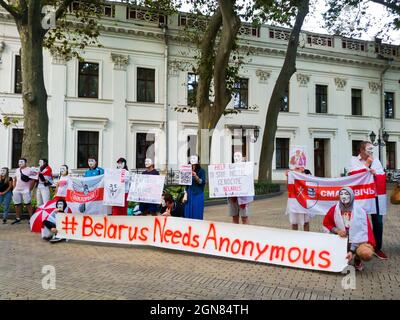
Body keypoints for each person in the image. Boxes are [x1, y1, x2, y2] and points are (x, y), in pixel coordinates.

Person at [348, 141, 388, 260]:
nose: (370, 152)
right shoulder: (354, 160)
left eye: (371, 150)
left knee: (378, 222)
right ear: (361, 150)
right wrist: (366, 165)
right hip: (362, 196)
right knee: (360, 221)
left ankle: (377, 248)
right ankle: (359, 247)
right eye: (368, 150)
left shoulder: (376, 160)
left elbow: (382, 174)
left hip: (375, 196)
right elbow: (352, 174)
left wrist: (375, 173)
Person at [323, 187, 376, 271]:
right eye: (341, 194)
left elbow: (362, 233)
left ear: (351, 196)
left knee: (366, 253)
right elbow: (326, 223)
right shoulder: (334, 209)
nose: (344, 196)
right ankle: (339, 257)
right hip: (341, 238)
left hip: (356, 241)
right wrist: (337, 231)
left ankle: (357, 259)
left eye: (347, 194)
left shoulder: (360, 211)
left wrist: (352, 250)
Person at [228, 152, 253, 224]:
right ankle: (235, 233)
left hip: (243, 198)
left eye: (238, 156)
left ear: (242, 158)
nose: (236, 158)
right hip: (233, 197)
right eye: (235, 156)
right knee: (234, 217)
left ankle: (246, 233)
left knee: (244, 217)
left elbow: (249, 182)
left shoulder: (246, 168)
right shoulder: (229, 168)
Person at [286, 166, 312, 231]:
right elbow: (289, 188)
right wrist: (287, 177)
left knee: (306, 222)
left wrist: (302, 173)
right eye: (296, 168)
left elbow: (311, 186)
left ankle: (307, 237)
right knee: (294, 222)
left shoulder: (307, 173)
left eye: (299, 167)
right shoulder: (292, 175)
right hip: (294, 202)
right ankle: (295, 238)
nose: (298, 168)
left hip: (304, 202)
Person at [11, 158, 36, 225]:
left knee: (28, 204)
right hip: (17, 190)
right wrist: (14, 188)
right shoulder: (17, 170)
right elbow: (15, 179)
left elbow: (34, 179)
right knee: (17, 204)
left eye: (22, 162)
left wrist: (30, 189)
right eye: (19, 162)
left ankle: (31, 219)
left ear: (25, 162)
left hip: (25, 189)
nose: (20, 163)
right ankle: (18, 218)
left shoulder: (30, 170)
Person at [184, 155, 206, 220]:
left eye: (194, 165)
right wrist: (185, 192)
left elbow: (202, 182)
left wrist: (196, 176)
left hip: (198, 194)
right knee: (188, 213)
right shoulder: (187, 170)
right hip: (189, 194)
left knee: (197, 212)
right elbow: (185, 183)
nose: (193, 166)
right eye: (191, 164)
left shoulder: (201, 171)